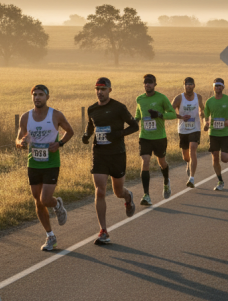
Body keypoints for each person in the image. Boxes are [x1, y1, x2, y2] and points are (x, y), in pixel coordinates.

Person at [17, 84, 74, 251]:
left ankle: (57, 205)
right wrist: (20, 142)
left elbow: (70, 131)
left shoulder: (55, 115)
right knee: (38, 201)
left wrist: (60, 143)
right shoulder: (26, 117)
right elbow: (19, 137)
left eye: (41, 94)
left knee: (45, 199)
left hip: (51, 163)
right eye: (34, 94)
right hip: (33, 163)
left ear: (47, 97)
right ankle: (50, 236)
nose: (37, 97)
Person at [83, 78, 139, 245]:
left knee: (118, 192)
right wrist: (87, 135)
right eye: (97, 89)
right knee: (100, 191)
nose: (100, 92)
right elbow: (91, 126)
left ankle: (128, 197)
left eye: (103, 89)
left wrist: (118, 134)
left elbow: (135, 126)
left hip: (117, 154)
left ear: (110, 90)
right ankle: (103, 230)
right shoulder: (92, 109)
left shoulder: (118, 107)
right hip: (99, 154)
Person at [135, 74, 177, 206]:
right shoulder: (140, 99)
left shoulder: (161, 98)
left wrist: (159, 115)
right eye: (145, 82)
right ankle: (146, 195)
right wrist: (131, 123)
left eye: (150, 82)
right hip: (145, 137)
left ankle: (166, 180)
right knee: (145, 161)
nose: (147, 84)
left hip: (159, 137)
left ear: (155, 84)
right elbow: (137, 116)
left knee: (162, 162)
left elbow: (172, 114)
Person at [203, 78, 228, 191]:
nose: (217, 87)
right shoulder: (209, 101)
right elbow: (206, 116)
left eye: (220, 86)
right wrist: (206, 123)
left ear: (223, 87)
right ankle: (220, 180)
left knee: (224, 158)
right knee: (215, 157)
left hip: (225, 133)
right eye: (216, 85)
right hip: (213, 132)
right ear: (213, 87)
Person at [172, 77, 202, 188]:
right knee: (186, 157)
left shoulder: (198, 97)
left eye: (190, 84)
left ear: (194, 85)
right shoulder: (179, 98)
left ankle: (192, 178)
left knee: (193, 148)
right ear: (183, 86)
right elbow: (170, 111)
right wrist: (181, 116)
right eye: (186, 84)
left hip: (195, 128)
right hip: (183, 129)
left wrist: (203, 117)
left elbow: (202, 109)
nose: (188, 86)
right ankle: (188, 164)